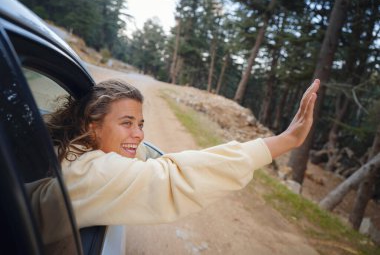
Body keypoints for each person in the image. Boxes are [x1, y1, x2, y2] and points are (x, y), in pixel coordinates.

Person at [45, 78, 320, 228]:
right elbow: (172, 177)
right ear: (91, 126)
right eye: (126, 123)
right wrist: (287, 140)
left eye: (140, 124)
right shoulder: (92, 172)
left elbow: (146, 155)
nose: (139, 134)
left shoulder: (67, 151)